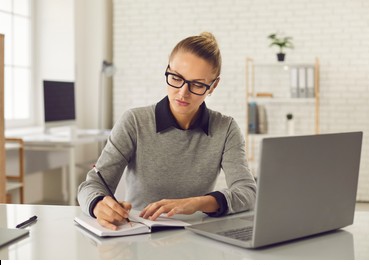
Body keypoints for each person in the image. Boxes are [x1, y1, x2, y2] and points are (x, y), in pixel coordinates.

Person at [78, 32, 256, 230]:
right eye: (176, 78)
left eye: (197, 84)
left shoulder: (226, 128)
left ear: (213, 86)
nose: (182, 92)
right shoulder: (134, 122)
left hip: (196, 236)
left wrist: (197, 202)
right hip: (139, 235)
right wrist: (98, 205)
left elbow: (248, 192)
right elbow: (91, 186)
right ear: (167, 70)